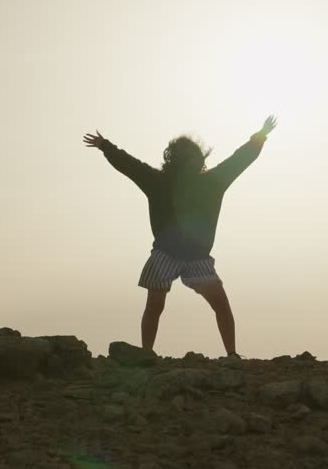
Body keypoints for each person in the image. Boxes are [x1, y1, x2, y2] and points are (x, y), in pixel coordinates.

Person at [82, 115, 277, 358]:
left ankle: (227, 354)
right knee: (165, 305)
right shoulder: (197, 181)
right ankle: (158, 353)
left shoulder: (176, 181)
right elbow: (239, 160)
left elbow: (239, 160)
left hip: (191, 256)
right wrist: (260, 136)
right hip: (170, 253)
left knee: (172, 306)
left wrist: (105, 146)